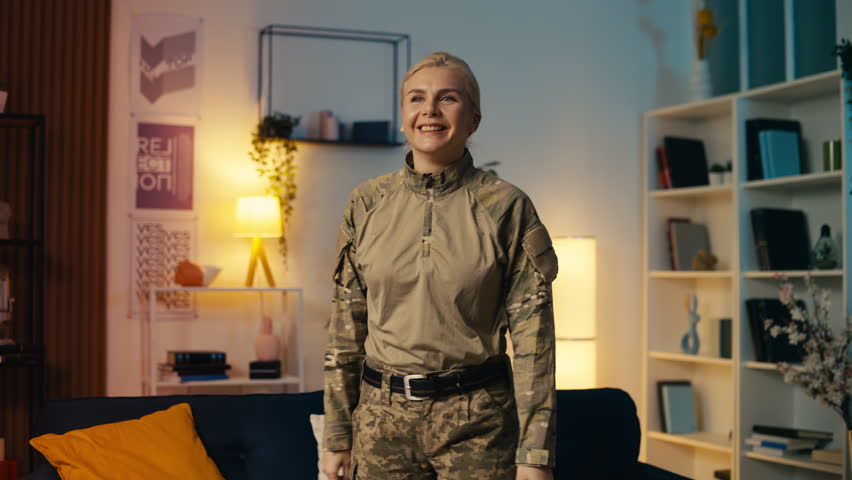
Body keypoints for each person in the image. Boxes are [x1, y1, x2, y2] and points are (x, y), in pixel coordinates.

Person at [321, 51, 558, 480]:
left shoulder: (507, 206)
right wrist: (337, 433)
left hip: (478, 425)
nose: (429, 110)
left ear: (473, 120)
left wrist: (534, 455)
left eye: (447, 98)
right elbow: (345, 328)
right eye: (416, 99)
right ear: (403, 116)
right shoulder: (366, 203)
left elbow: (535, 344)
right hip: (380, 424)